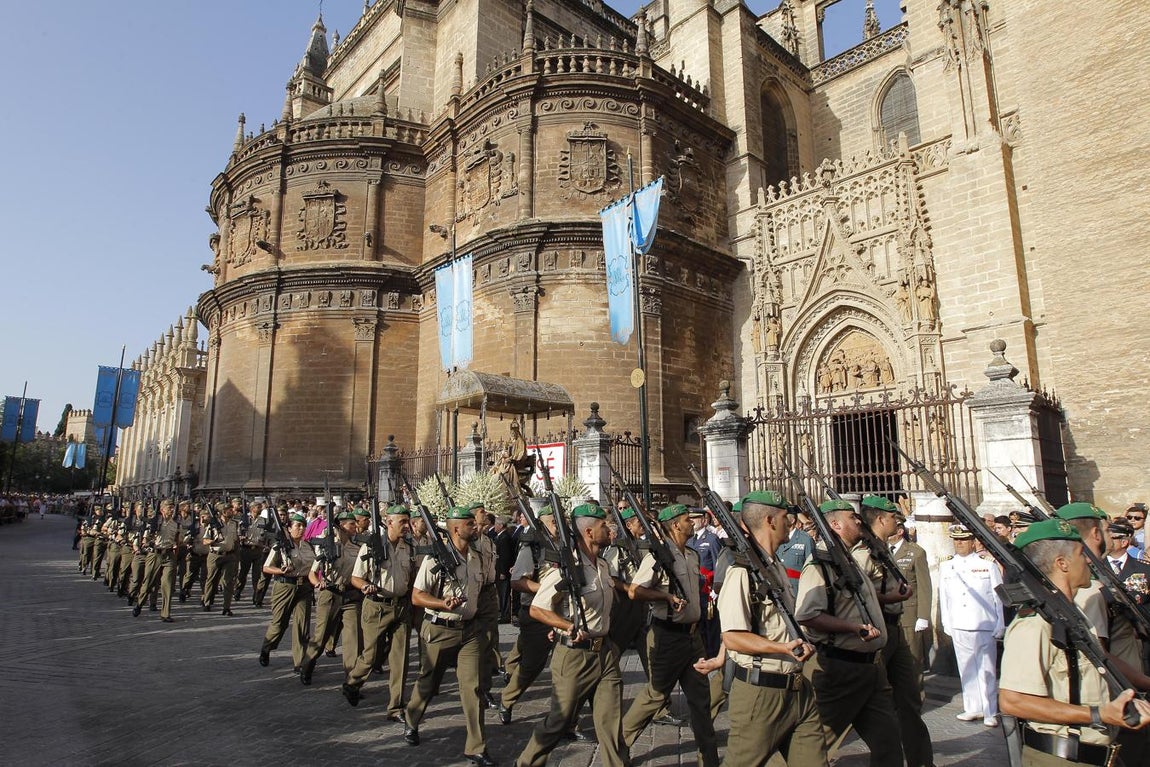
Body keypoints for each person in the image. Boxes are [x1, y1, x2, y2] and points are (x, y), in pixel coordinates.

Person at [1000, 518, 1150, 765]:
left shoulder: (1070, 614)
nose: (1090, 560)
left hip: (1098, 753)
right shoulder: (1035, 623)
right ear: (1062, 564)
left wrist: (1144, 683)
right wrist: (1098, 714)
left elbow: (1099, 656)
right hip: (1062, 757)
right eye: (1082, 554)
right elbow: (1012, 700)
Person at [717, 490, 826, 767]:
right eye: (785, 516)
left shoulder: (774, 565)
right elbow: (732, 636)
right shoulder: (742, 572)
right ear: (770, 521)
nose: (791, 521)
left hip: (798, 688)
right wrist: (782, 648)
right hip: (761, 691)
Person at [515, 503, 629, 767]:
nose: (609, 529)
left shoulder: (601, 564)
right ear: (589, 532)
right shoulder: (564, 567)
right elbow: (538, 608)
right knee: (559, 720)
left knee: (611, 723)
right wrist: (564, 626)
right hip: (574, 657)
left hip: (605, 652)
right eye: (604, 525)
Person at [794, 498, 902, 767]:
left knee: (888, 741)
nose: (859, 521)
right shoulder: (821, 564)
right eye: (853, 518)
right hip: (841, 667)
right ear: (836, 524)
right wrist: (852, 628)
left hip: (870, 668)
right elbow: (807, 614)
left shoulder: (850, 560)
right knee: (816, 746)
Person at [621, 503, 719, 767]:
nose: (693, 523)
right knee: (656, 695)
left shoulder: (691, 554)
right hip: (667, 636)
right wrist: (664, 595)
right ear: (675, 525)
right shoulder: (656, 556)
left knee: (701, 700)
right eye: (688, 519)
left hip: (692, 637)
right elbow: (634, 591)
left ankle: (708, 759)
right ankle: (620, 744)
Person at [402, 506, 494, 767]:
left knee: (473, 689)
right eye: (470, 524)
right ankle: (411, 718)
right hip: (440, 629)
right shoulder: (435, 559)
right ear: (456, 529)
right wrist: (443, 603)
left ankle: (476, 747)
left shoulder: (477, 557)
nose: (476, 527)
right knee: (429, 683)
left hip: (470, 632)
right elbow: (417, 596)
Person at [856, 495, 933, 766]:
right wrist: (891, 596)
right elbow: (858, 596)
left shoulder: (885, 549)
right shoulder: (863, 553)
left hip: (896, 628)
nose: (896, 522)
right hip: (877, 634)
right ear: (880, 519)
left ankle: (920, 760)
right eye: (892, 517)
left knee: (909, 700)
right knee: (861, 700)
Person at [342, 504, 414, 721]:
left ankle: (396, 707)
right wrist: (364, 586)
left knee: (400, 659)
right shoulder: (372, 547)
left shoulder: (408, 548)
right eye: (402, 522)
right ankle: (352, 682)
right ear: (389, 522)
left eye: (407, 521)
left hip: (401, 606)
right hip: (376, 607)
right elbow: (355, 577)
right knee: (371, 655)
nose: (406, 526)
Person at [938, 523, 1003, 726]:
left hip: (983, 622)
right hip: (959, 623)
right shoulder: (946, 566)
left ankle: (990, 710)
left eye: (963, 540)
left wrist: (1000, 622)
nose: (959, 543)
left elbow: (998, 597)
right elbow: (944, 597)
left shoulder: (988, 565)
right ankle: (972, 707)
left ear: (973, 542)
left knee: (987, 669)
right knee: (966, 668)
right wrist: (946, 622)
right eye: (956, 540)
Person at [300, 510, 362, 684]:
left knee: (352, 640)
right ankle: (307, 666)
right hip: (330, 593)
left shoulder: (357, 548)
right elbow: (313, 572)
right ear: (341, 526)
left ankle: (351, 680)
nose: (355, 527)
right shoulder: (327, 546)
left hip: (351, 596)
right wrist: (317, 583)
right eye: (351, 523)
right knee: (321, 637)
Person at [259, 511, 316, 671]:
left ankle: (300, 663)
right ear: (289, 529)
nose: (301, 528)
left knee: (302, 626)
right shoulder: (280, 546)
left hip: (304, 587)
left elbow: (314, 567)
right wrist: (280, 571)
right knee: (279, 624)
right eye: (297, 525)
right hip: (285, 586)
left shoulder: (308, 546)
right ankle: (267, 647)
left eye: (303, 525)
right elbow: (266, 567)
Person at [888, 515, 932, 679]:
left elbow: (924, 586)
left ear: (899, 531)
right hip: (889, 615)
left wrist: (923, 616)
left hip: (909, 614)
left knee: (913, 663)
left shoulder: (916, 552)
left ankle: (916, 698)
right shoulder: (882, 550)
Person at [133, 500, 181, 623]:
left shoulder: (175, 524)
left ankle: (165, 613)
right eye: (169, 508)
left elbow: (177, 539)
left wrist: (176, 545)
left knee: (167, 585)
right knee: (148, 583)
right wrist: (150, 540)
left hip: (169, 555)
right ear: (162, 510)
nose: (171, 510)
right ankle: (140, 603)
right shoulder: (155, 522)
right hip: (155, 554)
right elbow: (145, 539)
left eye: (172, 507)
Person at [201, 502, 240, 615]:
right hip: (215, 555)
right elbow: (205, 540)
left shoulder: (234, 524)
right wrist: (212, 541)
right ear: (223, 512)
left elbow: (236, 540)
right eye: (229, 510)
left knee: (228, 582)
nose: (231, 511)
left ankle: (226, 607)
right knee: (211, 579)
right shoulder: (213, 524)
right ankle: (207, 602)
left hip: (230, 555)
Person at [777, 507, 814, 594]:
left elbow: (811, 569)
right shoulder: (777, 537)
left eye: (784, 517)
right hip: (780, 591)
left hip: (797, 590)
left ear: (792, 520)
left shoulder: (805, 539)